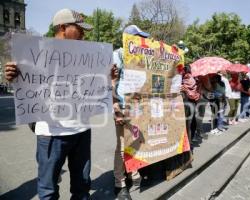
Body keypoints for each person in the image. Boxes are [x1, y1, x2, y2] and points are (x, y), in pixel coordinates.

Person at [5, 9, 95, 200]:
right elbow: (27, 85)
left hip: (82, 130)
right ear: (63, 28)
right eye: (79, 28)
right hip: (51, 134)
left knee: (82, 187)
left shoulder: (88, 56)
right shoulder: (34, 53)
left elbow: (95, 85)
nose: (83, 34)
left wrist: (109, 77)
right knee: (48, 190)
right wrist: (13, 75)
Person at [112, 25, 150, 200]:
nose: (141, 40)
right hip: (123, 107)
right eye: (138, 37)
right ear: (128, 38)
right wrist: (116, 109)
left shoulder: (139, 56)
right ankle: (119, 184)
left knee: (134, 142)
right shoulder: (118, 55)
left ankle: (131, 174)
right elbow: (111, 83)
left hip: (137, 107)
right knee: (122, 145)